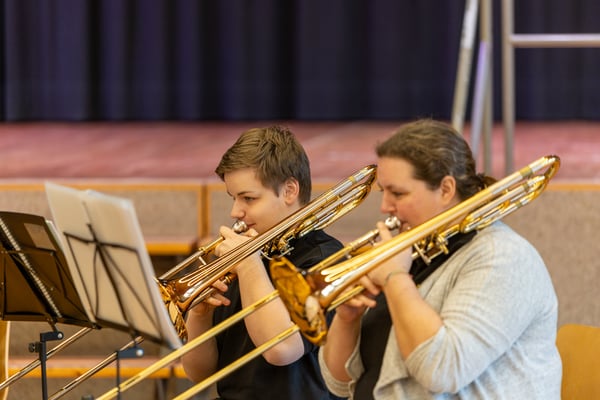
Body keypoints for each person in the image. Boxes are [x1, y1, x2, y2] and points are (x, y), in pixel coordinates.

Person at [319, 119, 562, 399]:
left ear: (446, 189)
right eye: (384, 192)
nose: (385, 207)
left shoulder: (503, 257)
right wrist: (347, 318)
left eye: (398, 193)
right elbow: (339, 383)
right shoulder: (413, 251)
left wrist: (395, 278)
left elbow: (443, 371)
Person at [181, 125, 344, 400]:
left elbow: (281, 350)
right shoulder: (247, 253)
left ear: (289, 191)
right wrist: (200, 315)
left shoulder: (326, 258)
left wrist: (248, 265)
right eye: (234, 198)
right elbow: (199, 374)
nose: (235, 211)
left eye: (248, 198)